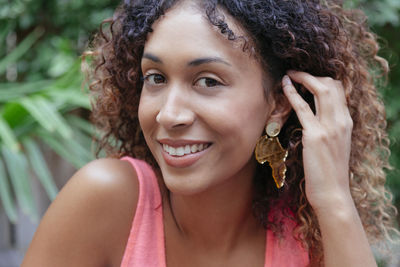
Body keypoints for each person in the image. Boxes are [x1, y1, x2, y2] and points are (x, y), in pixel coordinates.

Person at [22, 0, 399, 266]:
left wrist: (334, 200)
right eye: (155, 78)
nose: (169, 114)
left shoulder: (308, 235)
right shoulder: (107, 200)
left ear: (278, 103)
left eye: (207, 81)